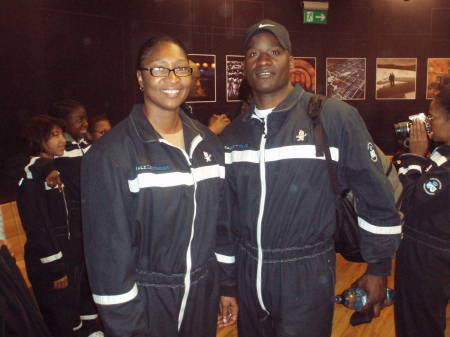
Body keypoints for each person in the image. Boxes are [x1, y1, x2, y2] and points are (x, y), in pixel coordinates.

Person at [219, 19, 402, 337]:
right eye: (253, 54)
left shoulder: (331, 117)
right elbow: (226, 219)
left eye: (273, 51)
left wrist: (378, 268)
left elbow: (377, 195)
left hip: (306, 273)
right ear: (244, 65)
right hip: (249, 276)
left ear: (291, 60)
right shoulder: (233, 135)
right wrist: (228, 282)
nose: (263, 61)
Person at [81, 35, 238, 337]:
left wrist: (226, 285)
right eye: (159, 69)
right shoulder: (112, 154)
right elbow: (108, 257)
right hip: (146, 300)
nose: (172, 78)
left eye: (181, 69)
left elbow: (222, 225)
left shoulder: (208, 143)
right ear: (140, 78)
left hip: (202, 296)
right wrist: (125, 326)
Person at [394, 84, 450, 337]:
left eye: (433, 116)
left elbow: (411, 200)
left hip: (428, 257)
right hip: (427, 253)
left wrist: (415, 156)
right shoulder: (441, 155)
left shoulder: (446, 165)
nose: (428, 123)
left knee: (419, 325)